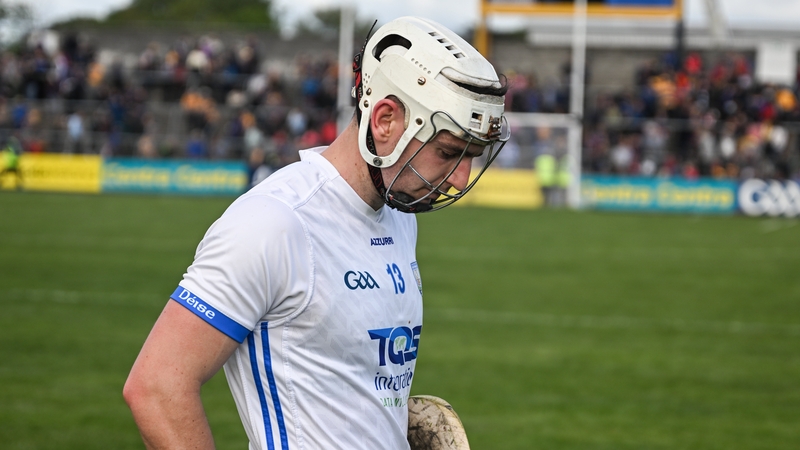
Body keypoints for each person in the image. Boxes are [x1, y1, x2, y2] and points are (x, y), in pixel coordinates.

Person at [123, 16, 509, 450]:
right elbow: (156, 388)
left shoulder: (400, 214)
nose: (461, 178)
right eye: (449, 152)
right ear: (384, 120)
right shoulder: (275, 223)